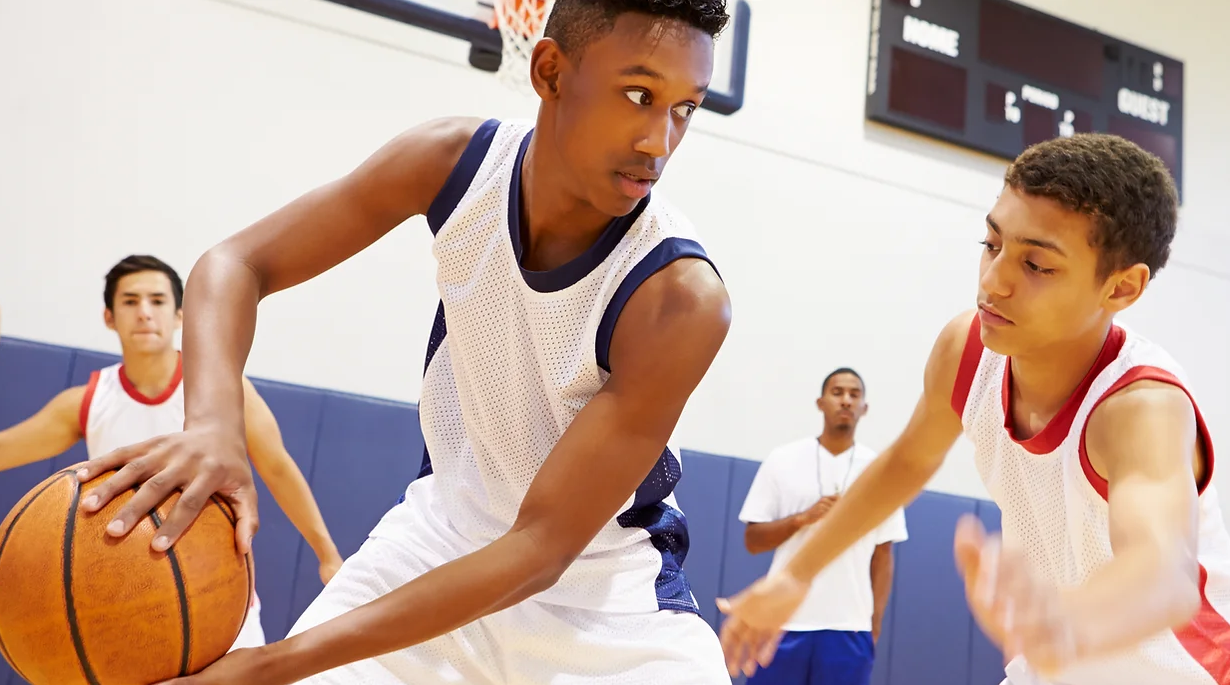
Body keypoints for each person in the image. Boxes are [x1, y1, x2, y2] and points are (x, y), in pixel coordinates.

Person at [73, 0, 735, 683]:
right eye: (639, 95)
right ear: (550, 72)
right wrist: (213, 426)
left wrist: (271, 663)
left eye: (685, 108)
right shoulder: (454, 164)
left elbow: (540, 547)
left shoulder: (680, 297)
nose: (660, 142)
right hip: (435, 545)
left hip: (605, 608)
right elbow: (236, 263)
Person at [716, 133, 1230, 685]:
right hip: (1052, 664)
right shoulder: (967, 351)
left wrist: (1067, 624)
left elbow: (1165, 575)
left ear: (1122, 288)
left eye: (1036, 265)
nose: (992, 280)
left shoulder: (1141, 406)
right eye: (992, 243)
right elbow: (907, 462)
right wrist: (795, 575)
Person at [0, 255, 344, 650]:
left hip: (215, 593)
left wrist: (327, 554)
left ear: (180, 315)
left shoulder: (226, 390)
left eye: (158, 300)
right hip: (116, 598)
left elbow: (278, 468)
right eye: (130, 301)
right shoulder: (87, 402)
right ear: (109, 317)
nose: (145, 312)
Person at [738, 367, 906, 685]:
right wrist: (801, 520)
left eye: (854, 394)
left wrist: (874, 623)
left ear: (864, 407)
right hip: (781, 622)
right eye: (837, 392)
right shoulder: (783, 459)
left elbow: (884, 554)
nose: (846, 400)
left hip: (848, 628)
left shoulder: (881, 472)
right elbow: (752, 540)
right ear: (820, 402)